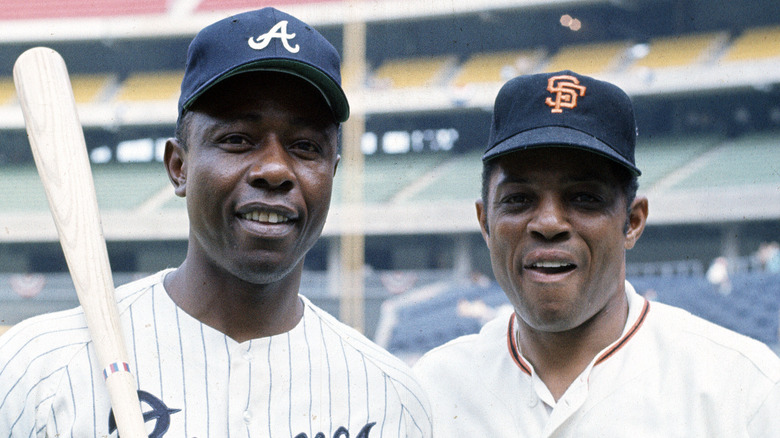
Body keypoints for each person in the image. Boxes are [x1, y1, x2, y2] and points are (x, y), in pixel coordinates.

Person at [0, 8, 431, 437]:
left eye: (305, 146)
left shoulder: (391, 398)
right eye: (237, 140)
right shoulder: (39, 369)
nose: (275, 169)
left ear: (331, 173)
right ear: (179, 167)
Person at [413, 70, 780, 437]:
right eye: (519, 199)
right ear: (485, 222)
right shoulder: (430, 391)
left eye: (585, 198)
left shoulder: (743, 389)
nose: (549, 222)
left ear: (633, 222)